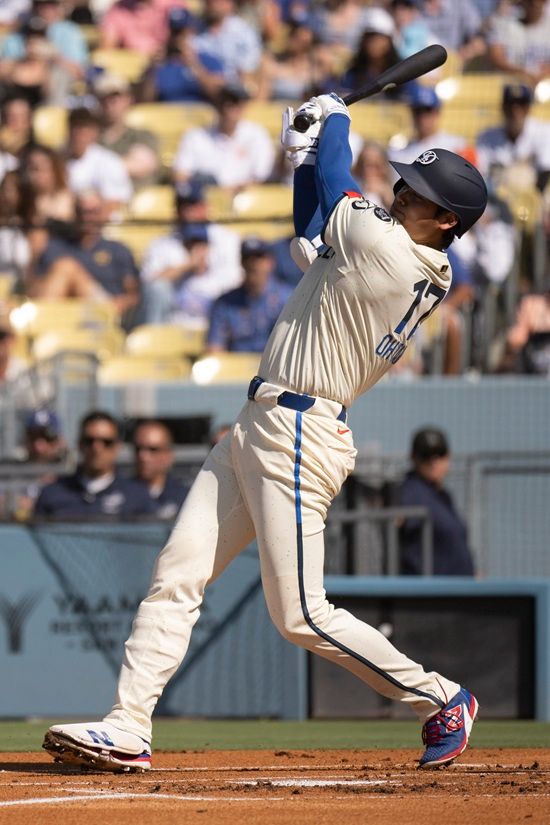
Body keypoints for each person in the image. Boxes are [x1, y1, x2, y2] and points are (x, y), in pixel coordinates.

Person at [43, 92, 488, 772]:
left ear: (447, 219)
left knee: (301, 614)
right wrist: (301, 157)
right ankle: (128, 725)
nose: (400, 193)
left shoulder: (392, 253)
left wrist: (333, 120)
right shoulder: (379, 250)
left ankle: (440, 697)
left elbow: (338, 180)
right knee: (178, 572)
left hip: (302, 433)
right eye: (403, 183)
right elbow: (312, 225)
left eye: (417, 193)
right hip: (263, 423)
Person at [27, 189, 141, 327]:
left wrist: (119, 305)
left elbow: (133, 294)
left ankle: (39, 326)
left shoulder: (117, 250)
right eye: (82, 211)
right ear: (74, 214)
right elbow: (35, 288)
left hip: (104, 311)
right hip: (65, 313)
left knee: (67, 267)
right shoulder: (56, 247)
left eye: (94, 212)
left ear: (103, 214)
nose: (87, 218)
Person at [139, 177, 241, 327]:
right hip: (174, 321)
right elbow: (150, 285)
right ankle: (155, 338)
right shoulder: (162, 244)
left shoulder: (227, 239)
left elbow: (236, 283)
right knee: (157, 289)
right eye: (182, 206)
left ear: (205, 206)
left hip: (216, 319)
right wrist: (187, 265)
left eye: (193, 205)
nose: (187, 213)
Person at [34, 410, 156, 518]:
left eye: (106, 442)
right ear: (79, 444)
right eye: (89, 441)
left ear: (117, 447)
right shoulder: (52, 493)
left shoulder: (137, 496)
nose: (97, 448)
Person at [398, 427, 475, 575]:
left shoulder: (442, 495)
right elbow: (395, 516)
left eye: (439, 453)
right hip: (429, 587)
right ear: (413, 457)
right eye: (425, 455)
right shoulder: (411, 491)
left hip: (457, 585)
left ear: (448, 457)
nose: (433, 461)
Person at [172, 83, 275, 192]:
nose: (230, 110)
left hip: (244, 197)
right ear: (217, 105)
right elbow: (180, 175)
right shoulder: (195, 136)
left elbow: (262, 177)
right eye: (226, 103)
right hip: (206, 198)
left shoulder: (257, 134)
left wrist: (233, 190)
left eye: (236, 103)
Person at [206, 237, 293, 352]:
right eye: (247, 257)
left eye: (259, 257)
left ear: (271, 262)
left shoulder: (289, 298)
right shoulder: (225, 303)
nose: (253, 263)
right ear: (241, 262)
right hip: (236, 362)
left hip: (276, 361)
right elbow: (214, 348)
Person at [476, 83, 550, 194]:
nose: (516, 111)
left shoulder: (544, 132)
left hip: (533, 197)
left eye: (522, 105)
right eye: (510, 106)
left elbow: (546, 173)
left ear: (529, 109)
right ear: (503, 108)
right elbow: (482, 174)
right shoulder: (486, 137)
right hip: (498, 197)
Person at [93, 73, 161, 190]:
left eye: (116, 97)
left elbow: (142, 165)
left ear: (128, 99)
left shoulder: (142, 135)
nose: (110, 103)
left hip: (136, 196)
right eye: (104, 98)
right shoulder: (89, 137)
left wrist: (93, 167)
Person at [64, 107, 133, 218]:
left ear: (94, 131)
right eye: (74, 126)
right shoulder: (58, 159)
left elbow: (115, 202)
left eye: (83, 127)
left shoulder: (109, 161)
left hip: (104, 225)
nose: (77, 133)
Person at [131, 419, 189, 520]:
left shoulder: (186, 497)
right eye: (138, 449)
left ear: (168, 454)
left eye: (153, 449)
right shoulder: (118, 495)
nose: (143, 456)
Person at [486, 0, 550, 86]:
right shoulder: (504, 22)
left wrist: (543, 74)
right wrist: (524, 74)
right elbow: (496, 58)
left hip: (544, 86)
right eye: (530, 1)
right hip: (510, 87)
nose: (535, 3)